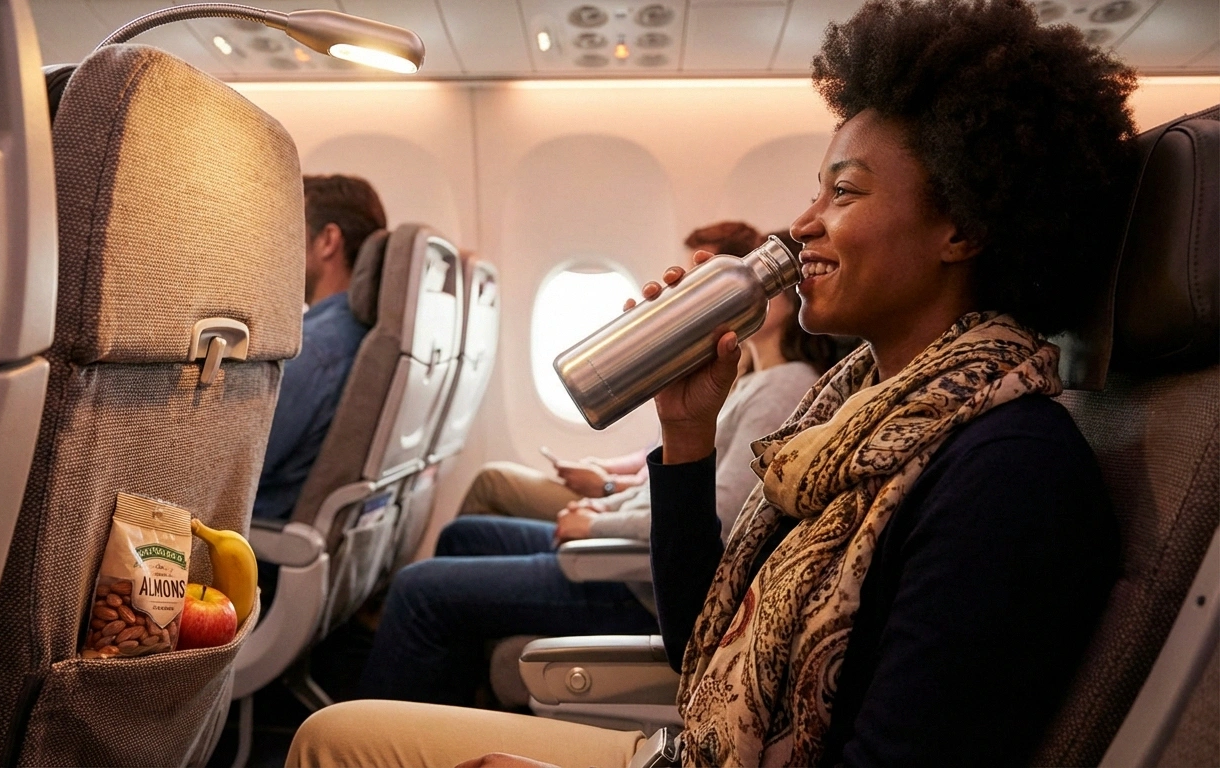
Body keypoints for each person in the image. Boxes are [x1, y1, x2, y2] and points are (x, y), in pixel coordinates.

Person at [287, 0, 1134, 765]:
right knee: (339, 732)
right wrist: (686, 433)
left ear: (964, 227)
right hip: (700, 747)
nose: (804, 224)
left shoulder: (1007, 473)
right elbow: (702, 642)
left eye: (843, 192)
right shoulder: (847, 416)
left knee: (340, 740)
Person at [353, 229, 835, 705]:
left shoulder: (784, 387)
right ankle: (451, 703)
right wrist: (609, 491)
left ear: (780, 300)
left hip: (635, 582)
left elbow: (723, 514)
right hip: (634, 555)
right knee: (463, 537)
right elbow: (659, 483)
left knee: (418, 589)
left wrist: (596, 519)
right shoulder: (753, 379)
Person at [457, 223, 772, 523]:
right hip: (626, 505)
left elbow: (711, 500)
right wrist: (604, 470)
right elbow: (655, 455)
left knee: (489, 489)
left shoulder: (751, 379)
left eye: (703, 280)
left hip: (624, 515)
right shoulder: (725, 369)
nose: (688, 285)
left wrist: (604, 488)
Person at [252, 175, 387, 522]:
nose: (279, 251)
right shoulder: (360, 333)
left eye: (289, 234)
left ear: (327, 241)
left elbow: (240, 468)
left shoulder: (313, 350)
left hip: (259, 539)